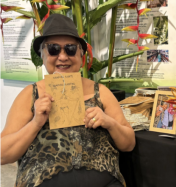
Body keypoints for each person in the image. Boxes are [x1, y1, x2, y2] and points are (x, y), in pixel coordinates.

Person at [0, 14, 135, 187]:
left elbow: (129, 144)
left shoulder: (100, 92)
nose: (63, 57)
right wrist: (35, 123)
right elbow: (3, 154)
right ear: (43, 55)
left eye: (70, 49)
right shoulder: (31, 94)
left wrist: (109, 122)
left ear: (81, 56)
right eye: (53, 49)